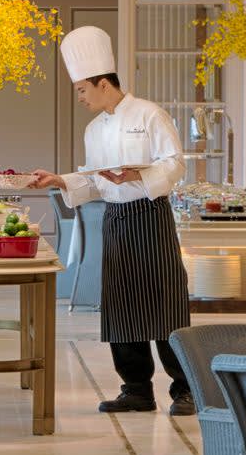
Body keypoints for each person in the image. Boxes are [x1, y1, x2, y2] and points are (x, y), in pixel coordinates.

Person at [32, 26, 194, 415]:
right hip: (116, 218)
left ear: (103, 83)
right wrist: (61, 180)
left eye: (83, 90)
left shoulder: (150, 113)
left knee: (165, 304)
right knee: (121, 304)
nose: (81, 98)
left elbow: (175, 163)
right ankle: (136, 389)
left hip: (151, 215)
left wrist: (139, 175)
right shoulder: (93, 129)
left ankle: (186, 389)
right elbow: (93, 179)